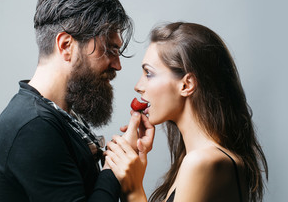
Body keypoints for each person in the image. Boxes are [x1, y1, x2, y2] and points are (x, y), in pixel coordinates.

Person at [0, 0, 134, 202]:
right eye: (109, 49)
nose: (117, 64)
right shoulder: (33, 126)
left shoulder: (57, 114)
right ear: (66, 46)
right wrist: (114, 167)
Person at [105, 22, 269, 202]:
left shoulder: (202, 162)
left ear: (186, 85)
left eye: (149, 73)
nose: (138, 86)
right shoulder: (205, 159)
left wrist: (133, 188)